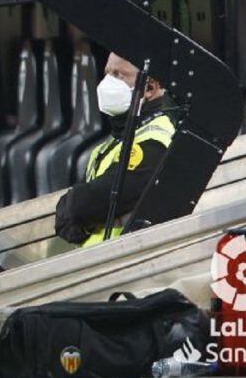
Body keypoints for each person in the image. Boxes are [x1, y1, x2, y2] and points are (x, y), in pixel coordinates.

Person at [54, 52, 179, 248]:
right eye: (107, 73)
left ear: (149, 88)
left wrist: (79, 217)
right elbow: (66, 216)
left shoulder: (153, 142)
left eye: (119, 75)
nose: (107, 83)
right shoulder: (113, 142)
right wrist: (77, 215)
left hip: (122, 264)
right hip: (96, 262)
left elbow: (79, 207)